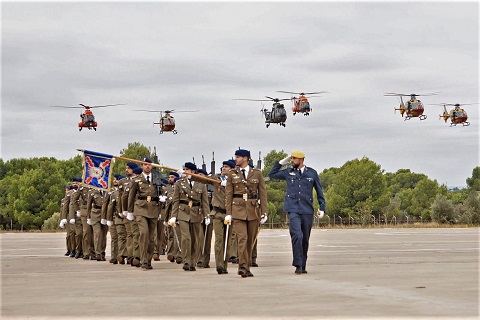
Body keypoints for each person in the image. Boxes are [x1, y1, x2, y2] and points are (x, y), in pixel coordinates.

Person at [268, 150, 326, 274]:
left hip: (307, 209)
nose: (292, 160)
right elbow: (272, 174)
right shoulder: (289, 172)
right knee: (297, 235)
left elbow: (319, 191)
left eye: (294, 159)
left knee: (305, 238)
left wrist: (322, 207)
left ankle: (303, 265)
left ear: (301, 160)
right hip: (293, 209)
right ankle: (298, 264)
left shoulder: (312, 173)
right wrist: (281, 162)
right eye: (291, 158)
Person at [225, 149, 268, 278]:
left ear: (245, 158)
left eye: (238, 157)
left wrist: (264, 212)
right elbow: (228, 195)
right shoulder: (232, 174)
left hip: (253, 210)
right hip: (237, 210)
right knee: (242, 239)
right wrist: (228, 213)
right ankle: (243, 267)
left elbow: (263, 193)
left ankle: (247, 265)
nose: (235, 159)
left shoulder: (257, 174)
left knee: (250, 241)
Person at [168, 162, 210, 272]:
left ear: (192, 171)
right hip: (183, 212)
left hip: (196, 213)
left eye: (187, 169)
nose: (185, 171)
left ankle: (192, 261)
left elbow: (204, 202)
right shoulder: (179, 183)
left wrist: (207, 216)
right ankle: (186, 260)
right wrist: (173, 216)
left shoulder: (201, 184)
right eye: (184, 169)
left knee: (195, 239)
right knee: (186, 237)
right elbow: (176, 201)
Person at [211, 159, 235, 274]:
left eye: (226, 167)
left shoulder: (235, 180)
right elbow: (202, 179)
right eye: (223, 166)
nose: (223, 168)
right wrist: (189, 176)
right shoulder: (216, 178)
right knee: (219, 240)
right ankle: (219, 265)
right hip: (217, 213)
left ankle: (225, 265)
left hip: (229, 214)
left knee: (227, 241)